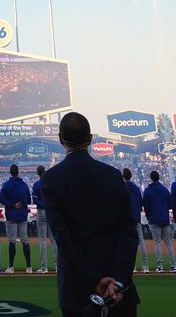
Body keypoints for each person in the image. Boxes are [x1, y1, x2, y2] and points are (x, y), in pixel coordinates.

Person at [39, 112, 139, 317]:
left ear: (60, 139)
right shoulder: (112, 175)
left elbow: (63, 239)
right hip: (119, 291)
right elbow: (129, 233)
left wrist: (96, 280)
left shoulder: (51, 179)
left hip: (78, 291)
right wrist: (117, 281)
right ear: (91, 139)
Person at [2, 164, 33, 274]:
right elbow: (28, 200)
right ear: (18, 172)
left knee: (12, 241)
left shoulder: (6, 185)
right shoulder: (24, 185)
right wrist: (20, 204)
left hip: (11, 215)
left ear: (10, 172)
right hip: (22, 215)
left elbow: (3, 200)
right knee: (25, 241)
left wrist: (12, 205)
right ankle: (29, 267)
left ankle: (11, 266)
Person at [141, 170, 174, 273]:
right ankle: (173, 266)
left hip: (154, 219)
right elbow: (170, 205)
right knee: (168, 243)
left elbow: (145, 205)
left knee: (157, 243)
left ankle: (160, 266)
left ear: (151, 178)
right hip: (164, 218)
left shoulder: (148, 190)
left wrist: (149, 215)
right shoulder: (164, 190)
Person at [121, 169, 147, 273]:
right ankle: (145, 266)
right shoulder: (136, 188)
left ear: (123, 176)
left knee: (127, 244)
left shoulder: (122, 187)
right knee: (141, 242)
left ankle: (133, 267)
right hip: (136, 218)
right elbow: (140, 203)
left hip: (126, 220)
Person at [32, 164, 55, 274]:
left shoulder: (36, 184)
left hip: (41, 211)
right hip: (51, 211)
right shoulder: (51, 183)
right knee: (54, 240)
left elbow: (35, 200)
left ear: (38, 173)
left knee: (42, 240)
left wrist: (43, 206)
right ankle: (57, 266)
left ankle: (44, 267)